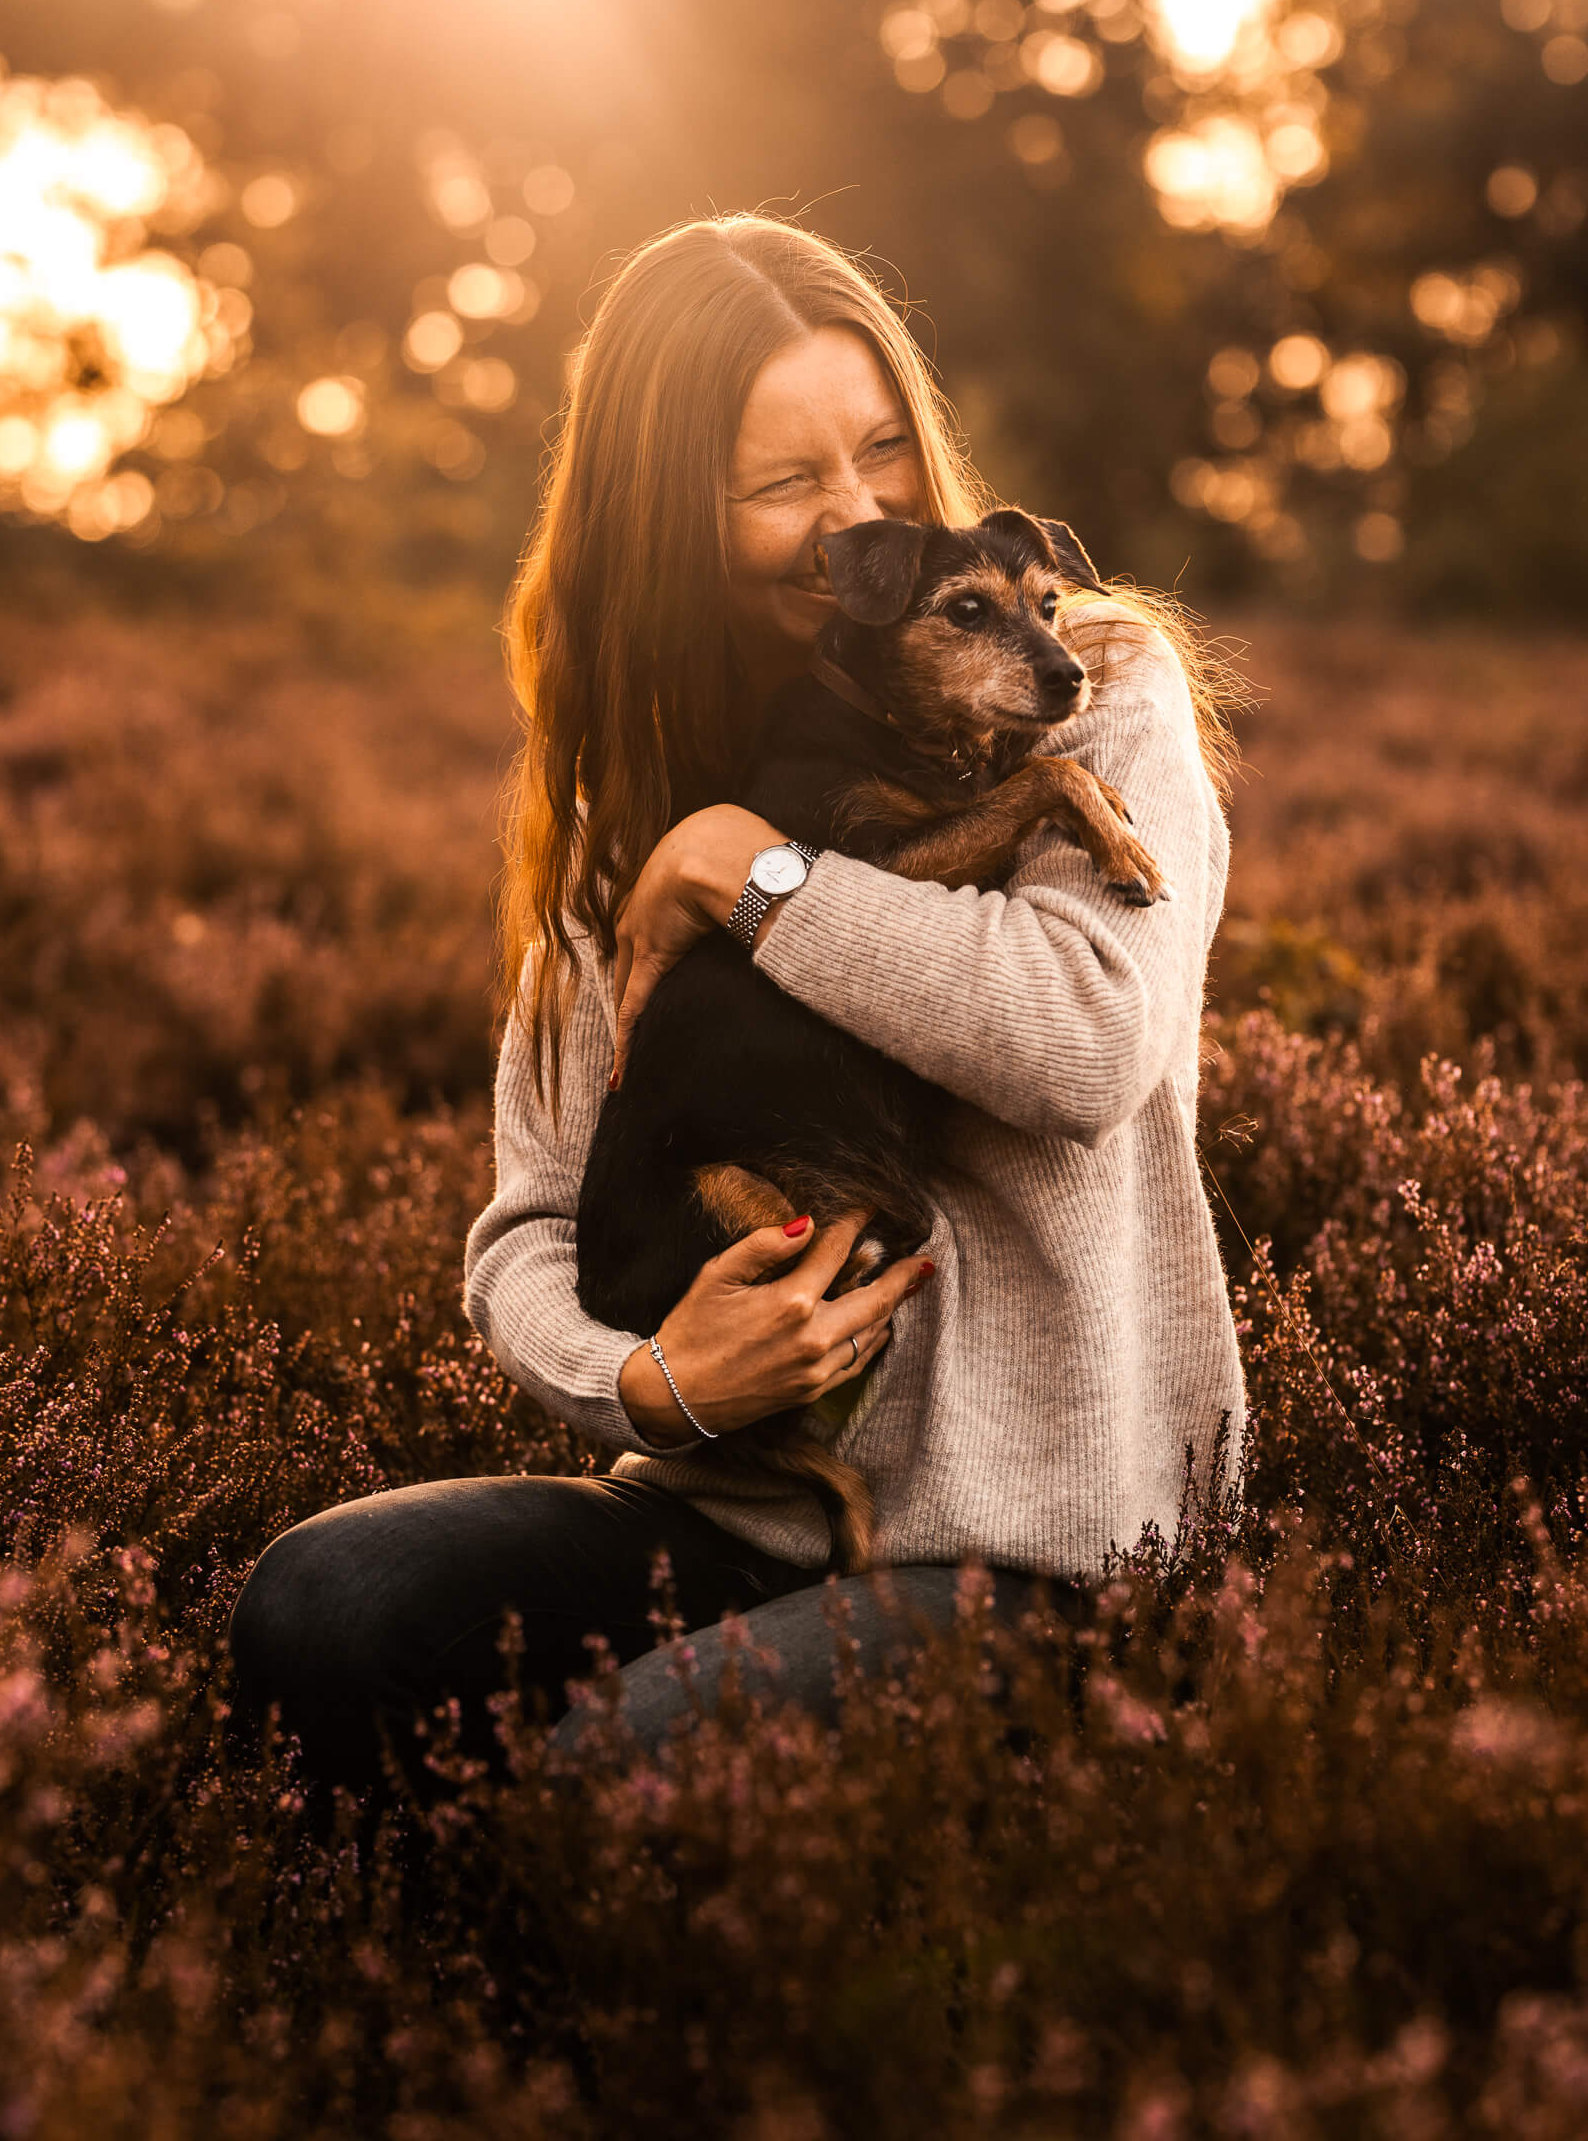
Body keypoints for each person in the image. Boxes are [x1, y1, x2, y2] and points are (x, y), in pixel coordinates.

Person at [228, 213, 1246, 1804]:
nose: (856, 516)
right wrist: (655, 1385)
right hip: (728, 1506)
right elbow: (527, 1234)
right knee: (323, 1601)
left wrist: (756, 880)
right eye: (782, 484)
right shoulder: (636, 790)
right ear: (667, 528)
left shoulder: (1087, 679)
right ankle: (420, 2009)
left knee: (607, 1782)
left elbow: (1085, 1043)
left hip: (1036, 1542)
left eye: (885, 452)